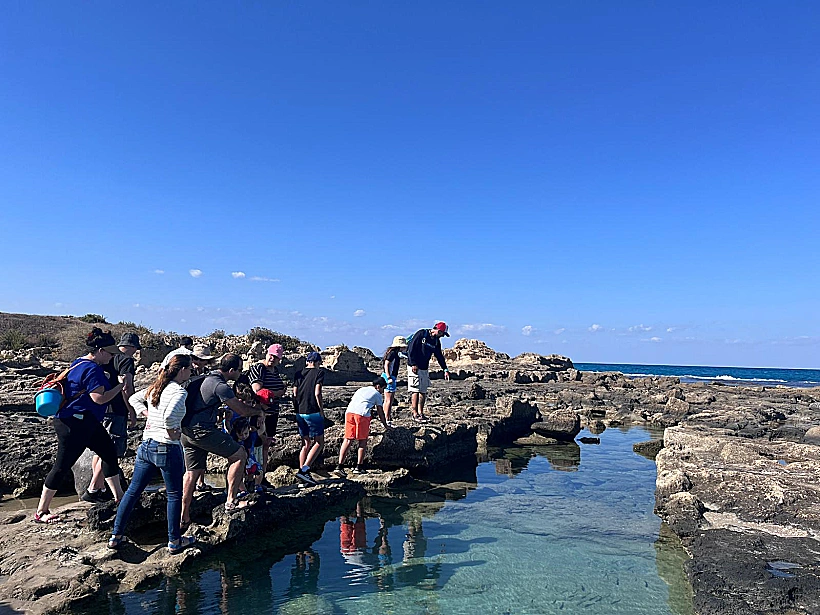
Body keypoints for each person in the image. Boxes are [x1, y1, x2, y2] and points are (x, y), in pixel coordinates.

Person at [33, 329, 126, 524]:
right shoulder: (93, 369)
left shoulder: (78, 362)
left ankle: (120, 499)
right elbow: (99, 399)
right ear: (100, 350)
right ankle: (41, 511)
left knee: (109, 452)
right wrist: (119, 387)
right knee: (62, 465)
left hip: (83, 420)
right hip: (75, 423)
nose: (112, 357)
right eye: (110, 353)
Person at [109, 354, 195, 554]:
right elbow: (170, 416)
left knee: (132, 491)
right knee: (174, 495)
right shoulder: (179, 392)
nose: (192, 371)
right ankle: (174, 541)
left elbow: (133, 398)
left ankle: (116, 535)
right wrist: (173, 429)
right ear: (181, 370)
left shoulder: (157, 386)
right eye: (190, 368)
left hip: (146, 445)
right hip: (167, 447)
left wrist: (146, 414)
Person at [180, 353, 262, 526]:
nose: (240, 373)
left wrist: (218, 412)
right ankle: (231, 502)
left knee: (191, 473)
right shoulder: (220, 385)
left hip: (186, 432)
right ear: (231, 370)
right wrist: (259, 412)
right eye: (239, 370)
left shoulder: (205, 378)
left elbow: (199, 404)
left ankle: (183, 515)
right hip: (202, 431)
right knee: (239, 455)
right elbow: (243, 410)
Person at [84, 332, 141, 502]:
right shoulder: (125, 360)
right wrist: (131, 410)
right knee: (110, 450)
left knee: (100, 450)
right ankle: (93, 487)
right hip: (115, 409)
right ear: (132, 347)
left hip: (99, 409)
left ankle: (100, 487)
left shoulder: (105, 358)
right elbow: (126, 387)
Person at [247, 343, 287, 486]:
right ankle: (253, 478)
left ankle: (261, 477)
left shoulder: (274, 370)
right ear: (266, 353)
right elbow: (258, 391)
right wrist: (278, 393)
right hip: (260, 413)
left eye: (276, 357)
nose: (273, 359)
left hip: (272, 413)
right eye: (271, 355)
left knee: (266, 444)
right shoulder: (259, 368)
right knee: (257, 444)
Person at [335, 377, 390, 476]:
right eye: (383, 389)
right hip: (362, 415)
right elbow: (380, 412)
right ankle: (359, 467)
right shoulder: (377, 394)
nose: (382, 392)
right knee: (362, 441)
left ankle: (339, 466)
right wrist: (385, 425)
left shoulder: (361, 389)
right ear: (378, 387)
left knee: (347, 439)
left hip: (349, 413)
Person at [405, 322, 451, 422]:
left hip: (424, 367)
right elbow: (411, 348)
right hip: (414, 366)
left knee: (423, 390)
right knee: (415, 390)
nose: (442, 336)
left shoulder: (436, 341)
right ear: (438, 330)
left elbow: (439, 356)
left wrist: (445, 369)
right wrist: (413, 363)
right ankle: (415, 414)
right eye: (442, 334)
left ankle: (421, 413)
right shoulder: (421, 334)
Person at [292, 351, 325, 485]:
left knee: (305, 443)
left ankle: (302, 477)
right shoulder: (319, 372)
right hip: (313, 411)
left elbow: (294, 393)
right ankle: (305, 470)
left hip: (300, 411)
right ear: (317, 363)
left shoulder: (298, 373)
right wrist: (321, 410)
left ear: (307, 362)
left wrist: (296, 408)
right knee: (319, 442)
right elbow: (317, 392)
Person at [381, 336, 407, 427]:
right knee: (389, 400)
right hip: (389, 377)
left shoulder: (393, 353)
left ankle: (385, 418)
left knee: (387, 400)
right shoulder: (392, 354)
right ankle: (387, 420)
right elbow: (387, 364)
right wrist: (389, 377)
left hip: (389, 376)